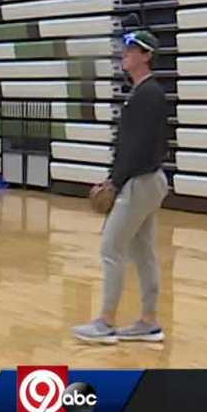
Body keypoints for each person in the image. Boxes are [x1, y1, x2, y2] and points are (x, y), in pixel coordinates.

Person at [73, 30, 170, 344]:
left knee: (111, 248)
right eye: (126, 48)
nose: (125, 53)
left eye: (132, 49)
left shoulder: (147, 95)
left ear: (146, 56)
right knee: (142, 252)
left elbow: (136, 147)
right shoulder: (145, 93)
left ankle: (106, 322)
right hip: (148, 180)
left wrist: (115, 181)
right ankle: (148, 321)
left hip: (139, 182)